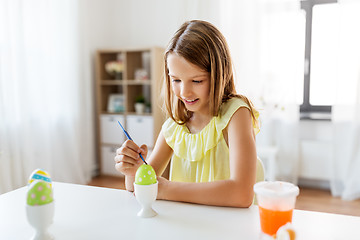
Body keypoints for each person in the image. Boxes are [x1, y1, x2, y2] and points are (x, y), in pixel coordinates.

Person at [114, 20, 260, 208]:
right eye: (176, 80)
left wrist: (166, 190)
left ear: (219, 74)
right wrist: (132, 170)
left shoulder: (236, 115)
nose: (184, 92)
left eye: (197, 81)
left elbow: (241, 194)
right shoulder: (175, 126)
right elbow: (139, 189)